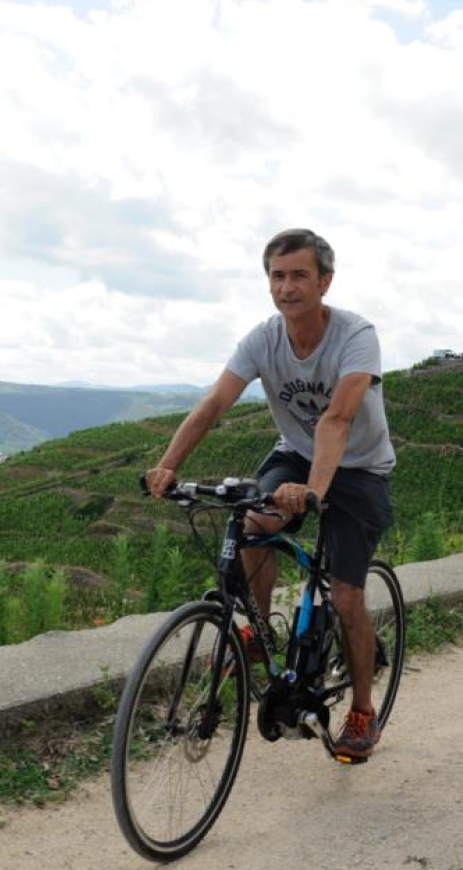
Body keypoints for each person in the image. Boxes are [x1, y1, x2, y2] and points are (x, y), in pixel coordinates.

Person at [143, 228, 396, 760]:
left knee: (346, 593)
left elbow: (338, 417)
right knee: (250, 524)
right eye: (277, 277)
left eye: (299, 275)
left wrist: (313, 492)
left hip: (360, 467)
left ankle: (363, 712)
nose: (287, 287)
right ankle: (256, 631)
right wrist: (168, 466)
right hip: (296, 454)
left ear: (324, 281)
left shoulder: (356, 336)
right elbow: (214, 404)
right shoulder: (263, 339)